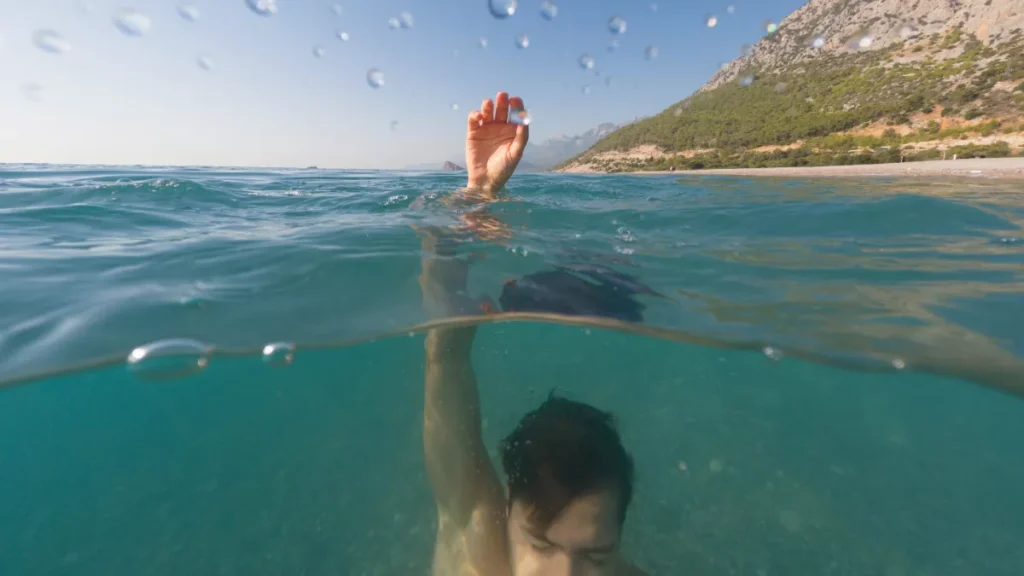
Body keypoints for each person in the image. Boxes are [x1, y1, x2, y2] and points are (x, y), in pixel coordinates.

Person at [419, 92, 645, 576]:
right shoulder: (478, 540)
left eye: (596, 555)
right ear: (507, 515)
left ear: (619, 539)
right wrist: (478, 193)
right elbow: (445, 355)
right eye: (541, 545)